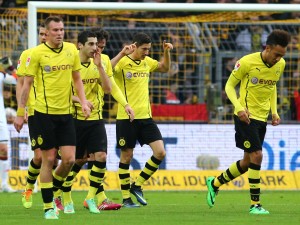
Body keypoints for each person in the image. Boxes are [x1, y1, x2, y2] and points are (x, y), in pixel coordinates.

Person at [205, 29, 291, 215]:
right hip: (245, 116)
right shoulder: (246, 62)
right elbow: (228, 86)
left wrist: (274, 112)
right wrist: (238, 108)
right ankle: (255, 204)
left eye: (281, 55)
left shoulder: (280, 64)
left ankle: (215, 182)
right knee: (257, 155)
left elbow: (272, 86)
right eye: (276, 54)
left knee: (246, 163)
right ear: (267, 48)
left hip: (262, 118)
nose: (278, 59)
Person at [14, 16, 90, 219]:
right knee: (45, 158)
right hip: (41, 114)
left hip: (65, 114)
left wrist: (82, 102)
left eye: (62, 29)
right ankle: (48, 206)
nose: (59, 33)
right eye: (55, 30)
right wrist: (21, 113)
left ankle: (51, 190)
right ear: (46, 33)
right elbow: (25, 84)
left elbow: (77, 78)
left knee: (69, 160)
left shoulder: (71, 51)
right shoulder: (35, 54)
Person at [60, 29, 134, 214]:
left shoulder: (103, 61)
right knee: (76, 160)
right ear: (81, 45)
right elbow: (60, 93)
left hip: (95, 118)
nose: (96, 48)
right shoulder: (68, 63)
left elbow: (109, 88)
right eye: (93, 44)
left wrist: (125, 104)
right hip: (73, 119)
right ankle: (65, 194)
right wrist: (81, 101)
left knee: (100, 156)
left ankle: (91, 198)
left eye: (98, 45)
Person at [113, 32, 173, 207]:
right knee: (126, 156)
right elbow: (106, 69)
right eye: (144, 49)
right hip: (126, 117)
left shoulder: (147, 62)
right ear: (135, 46)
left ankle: (137, 185)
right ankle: (125, 198)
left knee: (160, 152)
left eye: (148, 49)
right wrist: (121, 54)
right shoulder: (123, 62)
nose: (146, 52)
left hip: (146, 117)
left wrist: (166, 52)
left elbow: (164, 68)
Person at [15, 24, 49, 209]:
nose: (44, 37)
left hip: (57, 111)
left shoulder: (60, 55)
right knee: (39, 157)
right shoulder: (28, 54)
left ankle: (55, 197)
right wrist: (23, 108)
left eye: (46, 33)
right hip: (36, 110)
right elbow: (21, 83)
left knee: (55, 158)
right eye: (41, 33)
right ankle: (29, 188)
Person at [0, 64, 17, 193]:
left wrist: (10, 67)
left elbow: (16, 79)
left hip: (1, 120)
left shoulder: (1, 75)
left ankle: (4, 183)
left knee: (4, 149)